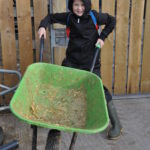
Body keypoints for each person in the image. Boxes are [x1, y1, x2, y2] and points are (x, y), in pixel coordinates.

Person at [38, 0, 123, 140]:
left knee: (99, 89)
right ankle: (57, 117)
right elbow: (50, 17)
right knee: (62, 84)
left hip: (91, 61)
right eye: (76, 5)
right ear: (71, 5)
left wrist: (102, 37)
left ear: (87, 5)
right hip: (72, 60)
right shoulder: (68, 17)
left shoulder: (94, 16)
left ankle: (116, 124)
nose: (79, 8)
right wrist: (42, 26)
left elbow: (112, 20)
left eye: (82, 5)